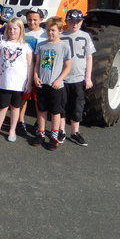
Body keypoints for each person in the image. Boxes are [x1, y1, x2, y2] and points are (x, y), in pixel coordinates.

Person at [0, 17, 33, 142]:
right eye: (10, 28)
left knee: (15, 107)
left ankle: (12, 130)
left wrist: (29, 82)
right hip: (4, 82)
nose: (12, 31)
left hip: (19, 84)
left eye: (15, 29)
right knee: (2, 107)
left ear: (20, 30)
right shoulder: (2, 43)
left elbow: (30, 65)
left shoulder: (25, 46)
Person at [32, 17, 72, 151]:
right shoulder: (41, 45)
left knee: (55, 111)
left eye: (53, 30)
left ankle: (54, 136)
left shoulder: (64, 46)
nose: (50, 33)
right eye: (48, 30)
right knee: (42, 109)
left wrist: (59, 80)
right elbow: (37, 64)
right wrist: (36, 76)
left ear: (60, 31)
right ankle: (41, 133)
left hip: (56, 85)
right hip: (42, 84)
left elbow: (67, 67)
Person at [60, 9, 95, 146]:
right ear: (66, 21)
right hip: (62, 78)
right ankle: (61, 130)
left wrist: (88, 77)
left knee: (77, 106)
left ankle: (75, 132)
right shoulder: (61, 36)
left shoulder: (85, 36)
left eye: (77, 21)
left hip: (79, 78)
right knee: (62, 105)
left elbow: (89, 58)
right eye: (71, 21)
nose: (74, 24)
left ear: (81, 22)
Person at [18, 7, 47, 135]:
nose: (32, 22)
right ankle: (20, 121)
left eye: (35, 19)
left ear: (41, 19)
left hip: (40, 71)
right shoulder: (22, 32)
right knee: (23, 97)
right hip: (24, 70)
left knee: (38, 98)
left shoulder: (46, 34)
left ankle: (39, 123)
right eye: (29, 19)